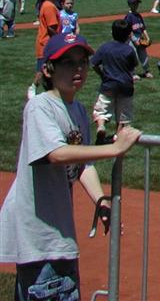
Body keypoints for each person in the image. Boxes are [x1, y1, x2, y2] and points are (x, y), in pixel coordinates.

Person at [0, 32, 142, 300]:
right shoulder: (40, 107)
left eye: (83, 62)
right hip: (40, 237)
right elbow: (56, 153)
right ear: (48, 69)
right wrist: (115, 148)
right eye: (68, 62)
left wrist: (100, 198)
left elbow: (82, 164)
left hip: (59, 236)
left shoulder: (76, 110)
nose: (78, 69)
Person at [90, 19, 139, 144]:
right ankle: (118, 135)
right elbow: (133, 66)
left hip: (108, 84)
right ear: (129, 35)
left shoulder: (105, 47)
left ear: (112, 32)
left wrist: (102, 74)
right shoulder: (129, 50)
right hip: (126, 85)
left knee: (102, 108)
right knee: (123, 113)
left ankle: (101, 126)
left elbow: (94, 63)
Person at [31, 0, 63, 99]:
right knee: (42, 69)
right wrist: (60, 40)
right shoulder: (49, 6)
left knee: (49, 69)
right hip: (47, 43)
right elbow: (51, 27)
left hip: (46, 42)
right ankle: (33, 88)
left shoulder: (46, 4)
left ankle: (51, 90)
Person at [125, 0, 153, 79]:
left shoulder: (139, 16)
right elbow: (128, 30)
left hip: (140, 38)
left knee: (143, 55)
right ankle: (132, 73)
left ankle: (147, 71)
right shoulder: (128, 17)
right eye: (134, 3)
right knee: (134, 56)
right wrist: (134, 40)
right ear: (130, 5)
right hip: (131, 39)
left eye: (137, 3)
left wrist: (147, 37)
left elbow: (143, 28)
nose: (136, 5)